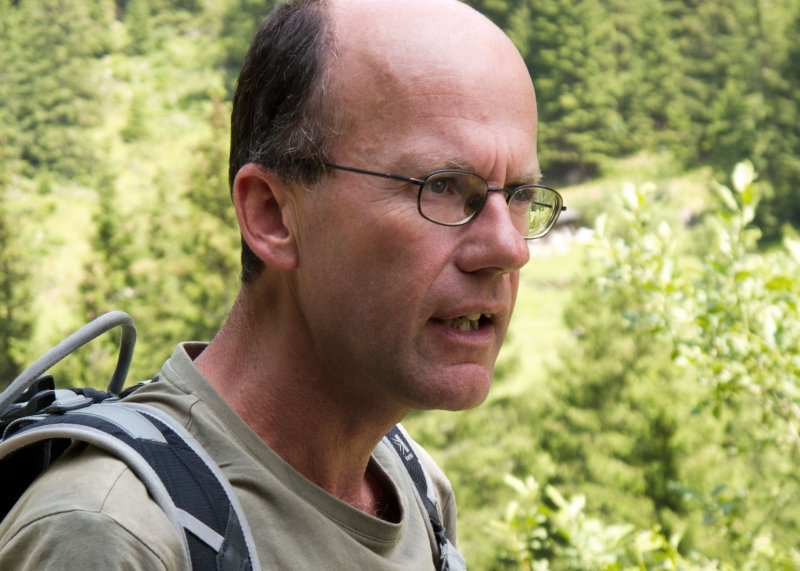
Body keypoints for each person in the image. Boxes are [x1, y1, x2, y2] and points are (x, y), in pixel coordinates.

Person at [0, 0, 563, 568]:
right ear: (272, 214)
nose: (510, 249)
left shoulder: (416, 487)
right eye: (443, 186)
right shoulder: (112, 534)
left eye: (519, 195)